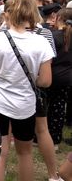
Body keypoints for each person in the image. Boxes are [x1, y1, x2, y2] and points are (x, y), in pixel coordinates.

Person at [0, 0, 54, 181]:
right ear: (32, 13)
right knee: (25, 153)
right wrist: (32, 79)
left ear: (9, 12)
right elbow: (46, 81)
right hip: (25, 103)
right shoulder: (41, 42)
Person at [48, 9, 72, 147]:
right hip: (67, 77)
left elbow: (47, 58)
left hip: (51, 75)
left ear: (58, 18)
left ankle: (39, 137)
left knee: (45, 108)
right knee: (59, 107)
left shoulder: (53, 36)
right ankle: (55, 139)